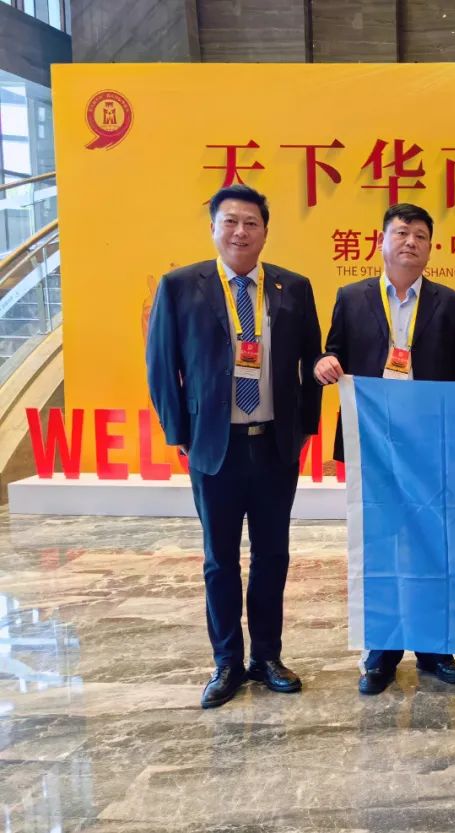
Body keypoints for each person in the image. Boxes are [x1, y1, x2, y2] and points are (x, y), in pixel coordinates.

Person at [146, 184, 323, 708]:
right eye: (231, 222)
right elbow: (161, 365)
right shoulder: (181, 286)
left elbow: (312, 362)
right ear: (214, 229)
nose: (241, 232)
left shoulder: (294, 287)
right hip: (214, 448)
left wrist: (305, 428)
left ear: (265, 232)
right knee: (219, 560)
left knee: (272, 555)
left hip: (274, 446)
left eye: (251, 223)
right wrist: (179, 433)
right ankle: (226, 662)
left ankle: (266, 657)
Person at [314, 202, 455, 696]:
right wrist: (326, 362)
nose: (410, 242)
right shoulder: (351, 298)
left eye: (420, 236)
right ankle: (381, 651)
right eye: (401, 232)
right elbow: (334, 350)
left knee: (431, 547)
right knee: (379, 548)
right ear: (381, 241)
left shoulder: (452, 304)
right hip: (373, 447)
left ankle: (433, 647)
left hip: (430, 449)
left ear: (430, 248)